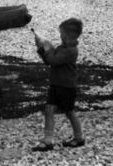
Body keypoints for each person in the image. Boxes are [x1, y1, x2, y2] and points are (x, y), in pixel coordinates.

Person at [31, 18, 85, 152]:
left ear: (68, 36)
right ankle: (48, 139)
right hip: (55, 84)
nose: (60, 36)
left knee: (69, 112)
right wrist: (41, 48)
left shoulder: (71, 51)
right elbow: (49, 61)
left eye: (62, 34)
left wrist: (46, 48)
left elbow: (53, 60)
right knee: (49, 109)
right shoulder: (62, 48)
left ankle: (79, 137)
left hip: (67, 87)